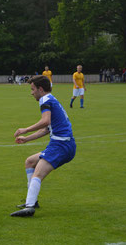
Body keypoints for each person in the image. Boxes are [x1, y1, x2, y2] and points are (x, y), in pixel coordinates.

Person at [10, 75, 76, 217]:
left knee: (37, 174)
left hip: (61, 145)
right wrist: (27, 139)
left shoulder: (45, 99)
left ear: (40, 89)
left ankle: (29, 207)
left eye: (33, 89)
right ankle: (32, 200)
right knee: (30, 162)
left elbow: (45, 121)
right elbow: (47, 129)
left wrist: (25, 129)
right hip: (63, 143)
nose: (31, 92)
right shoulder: (51, 99)